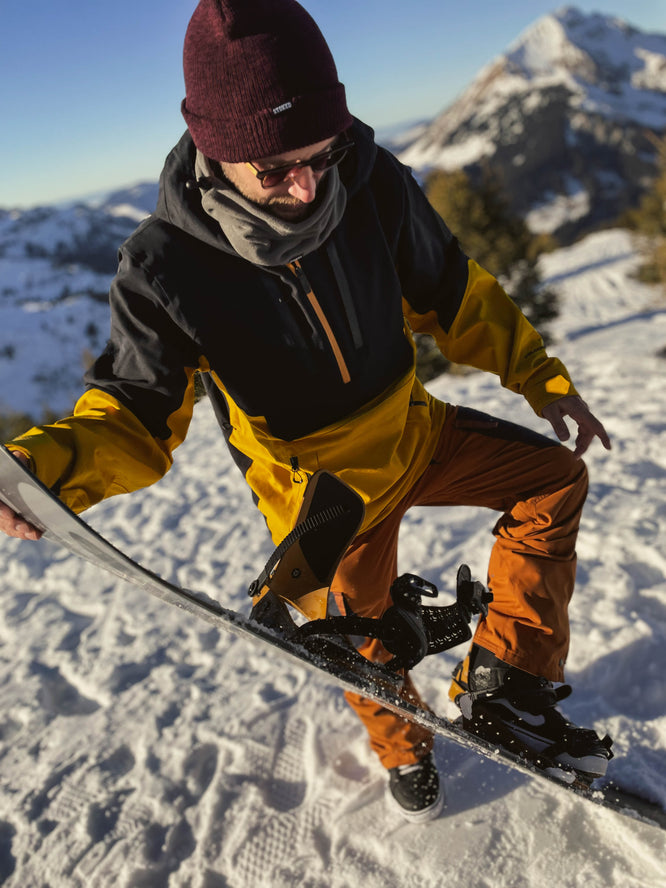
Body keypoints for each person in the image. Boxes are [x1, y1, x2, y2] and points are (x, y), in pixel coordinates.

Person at [0, 0, 613, 823]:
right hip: (324, 501)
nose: (308, 184)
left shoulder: (367, 176)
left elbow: (454, 294)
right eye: (277, 169)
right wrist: (40, 475)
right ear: (217, 152)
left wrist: (543, 377)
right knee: (361, 649)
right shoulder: (164, 268)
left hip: (415, 434)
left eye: (320, 155)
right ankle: (406, 754)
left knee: (553, 482)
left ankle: (508, 688)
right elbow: (133, 419)